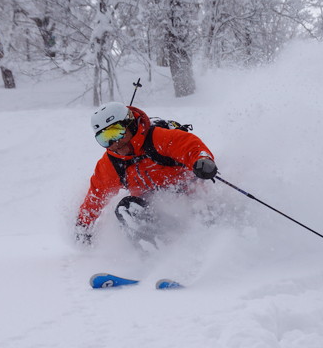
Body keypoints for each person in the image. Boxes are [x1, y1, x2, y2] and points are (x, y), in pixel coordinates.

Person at [76, 102, 218, 245]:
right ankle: (155, 254)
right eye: (104, 138)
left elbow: (189, 146)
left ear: (130, 124)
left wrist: (203, 161)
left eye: (116, 132)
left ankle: (212, 238)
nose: (114, 143)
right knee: (126, 208)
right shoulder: (112, 163)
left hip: (190, 198)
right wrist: (83, 226)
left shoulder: (156, 139)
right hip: (156, 213)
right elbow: (96, 196)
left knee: (202, 207)